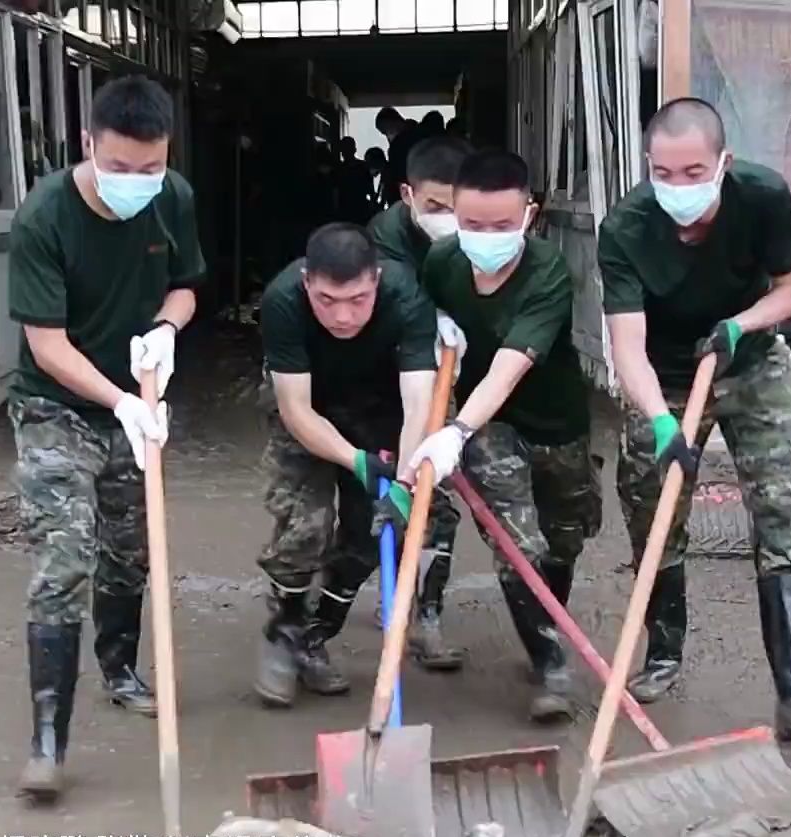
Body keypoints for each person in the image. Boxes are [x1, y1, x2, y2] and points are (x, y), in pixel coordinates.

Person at [597, 97, 791, 742]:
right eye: (663, 173)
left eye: (693, 172)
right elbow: (626, 344)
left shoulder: (762, 196)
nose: (677, 187)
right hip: (667, 377)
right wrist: (659, 421)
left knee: (782, 513)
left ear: (723, 163)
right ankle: (663, 654)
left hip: (753, 361)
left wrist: (741, 324)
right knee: (655, 514)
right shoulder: (625, 228)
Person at [5, 75, 204, 800]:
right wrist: (120, 399)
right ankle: (49, 737)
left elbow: (185, 284)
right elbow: (47, 344)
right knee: (64, 557)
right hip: (57, 406)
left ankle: (120, 667)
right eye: (119, 169)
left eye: (150, 169)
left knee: (131, 552)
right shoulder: (44, 217)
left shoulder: (172, 197)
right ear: (87, 146)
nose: (136, 183)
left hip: (134, 395)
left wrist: (165, 330)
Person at [405, 150, 601, 724]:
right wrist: (461, 423)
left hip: (557, 423)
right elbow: (423, 325)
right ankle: (550, 662)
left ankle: (545, 621)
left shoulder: (547, 273)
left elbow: (511, 365)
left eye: (500, 226)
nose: (484, 237)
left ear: (529, 215)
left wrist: (455, 429)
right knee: (518, 545)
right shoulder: (442, 261)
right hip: (490, 425)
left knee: (564, 542)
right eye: (471, 225)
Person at [254, 224, 439, 705]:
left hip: (381, 408)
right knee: (304, 526)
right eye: (327, 300)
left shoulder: (407, 297)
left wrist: (402, 479)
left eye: (357, 299)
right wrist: (354, 461)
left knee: (369, 536)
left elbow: (420, 401)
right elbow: (295, 408)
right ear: (306, 283)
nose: (342, 315)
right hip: (307, 407)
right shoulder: (281, 301)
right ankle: (284, 632)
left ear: (376, 280)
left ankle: (314, 637)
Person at [368, 135, 476, 670]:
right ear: (408, 194)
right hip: (387, 373)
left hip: (446, 367)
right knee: (384, 488)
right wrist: (433, 317)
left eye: (458, 207)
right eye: (435, 207)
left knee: (437, 495)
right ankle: (376, 593)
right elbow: (404, 308)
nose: (449, 219)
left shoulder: (482, 223)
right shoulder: (385, 239)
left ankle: (425, 613)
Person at [376, 107, 422, 208]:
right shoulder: (419, 133)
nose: (387, 135)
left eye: (385, 130)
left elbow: (398, 172)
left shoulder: (399, 144)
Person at [335, 135, 376, 223]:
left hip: (351, 208)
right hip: (357, 207)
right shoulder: (363, 167)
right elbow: (370, 189)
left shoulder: (339, 169)